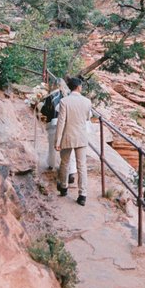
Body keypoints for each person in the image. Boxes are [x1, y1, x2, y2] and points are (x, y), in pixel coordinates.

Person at [55, 76, 91, 206]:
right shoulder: (87, 102)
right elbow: (87, 117)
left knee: (64, 163)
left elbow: (61, 122)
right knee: (82, 166)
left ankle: (64, 187)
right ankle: (82, 195)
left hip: (67, 136)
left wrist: (57, 141)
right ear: (79, 87)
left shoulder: (64, 101)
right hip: (81, 136)